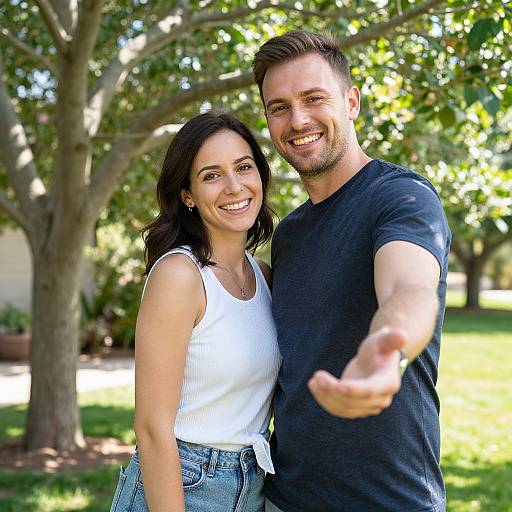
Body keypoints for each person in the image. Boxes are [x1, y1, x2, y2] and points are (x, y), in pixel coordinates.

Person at [252, 31, 451, 512]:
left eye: (313, 98)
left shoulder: (401, 198)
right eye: (278, 107)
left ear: (351, 102)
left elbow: (409, 287)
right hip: (285, 498)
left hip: (389, 500)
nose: (297, 120)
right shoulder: (291, 233)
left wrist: (390, 351)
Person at [109, 113, 281, 512]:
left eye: (243, 167)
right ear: (187, 194)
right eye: (211, 175)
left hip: (253, 483)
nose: (234, 186)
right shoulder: (179, 276)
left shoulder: (266, 277)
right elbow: (152, 430)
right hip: (184, 484)